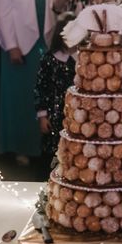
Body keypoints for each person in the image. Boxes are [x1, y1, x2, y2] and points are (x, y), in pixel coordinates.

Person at [0, 0, 58, 165]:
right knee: (21, 98)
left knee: (43, 96)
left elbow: (54, 5)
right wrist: (11, 45)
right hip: (19, 46)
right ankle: (20, 146)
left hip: (45, 41)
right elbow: (3, 12)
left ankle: (43, 145)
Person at [35, 12, 76, 158]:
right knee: (53, 152)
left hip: (76, 115)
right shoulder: (48, 59)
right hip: (54, 115)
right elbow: (41, 88)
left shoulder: (83, 59)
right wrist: (42, 116)